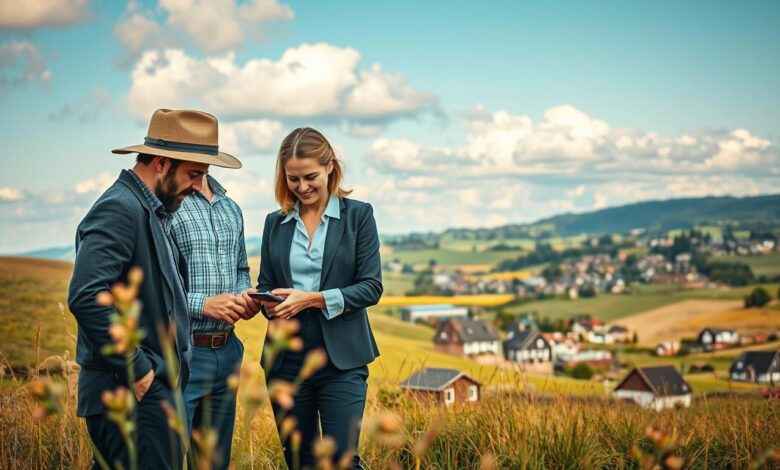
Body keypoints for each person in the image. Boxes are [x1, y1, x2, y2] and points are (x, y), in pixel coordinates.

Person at [68, 108, 242, 469]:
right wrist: (138, 369)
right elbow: (86, 295)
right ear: (161, 163)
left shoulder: (151, 209)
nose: (198, 185)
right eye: (194, 174)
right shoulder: (120, 208)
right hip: (129, 391)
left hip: (146, 391)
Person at [256, 127, 382, 469]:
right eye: (293, 178)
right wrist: (268, 303)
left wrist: (311, 299)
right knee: (300, 461)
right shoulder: (274, 223)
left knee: (342, 461)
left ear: (330, 167)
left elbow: (371, 287)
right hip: (286, 360)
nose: (302, 186)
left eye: (310, 176)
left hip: (342, 360)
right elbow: (267, 283)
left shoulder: (358, 216)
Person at [171, 173, 261, 469]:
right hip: (183, 353)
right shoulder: (169, 205)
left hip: (227, 351)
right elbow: (157, 286)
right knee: (168, 456)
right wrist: (204, 304)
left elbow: (241, 269)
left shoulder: (231, 207)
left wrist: (244, 295)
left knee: (213, 462)